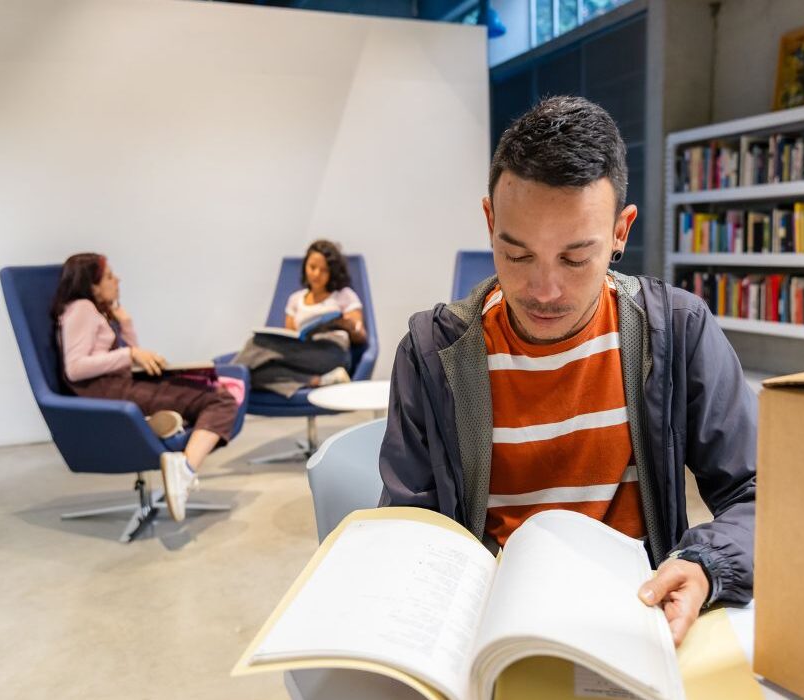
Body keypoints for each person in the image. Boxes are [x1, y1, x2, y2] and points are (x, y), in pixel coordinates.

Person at [378, 96, 757, 646]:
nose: (544, 291)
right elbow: (410, 531)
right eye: (517, 254)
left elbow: (757, 491)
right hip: (485, 631)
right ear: (490, 221)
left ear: (621, 232)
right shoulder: (432, 354)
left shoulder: (675, 331)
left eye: (576, 258)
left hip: (632, 620)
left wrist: (705, 564)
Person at [51, 253, 239, 522]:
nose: (117, 280)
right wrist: (129, 355)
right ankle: (183, 470)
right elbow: (75, 367)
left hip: (117, 383)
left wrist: (125, 325)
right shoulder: (82, 307)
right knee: (220, 400)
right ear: (90, 285)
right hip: (105, 391)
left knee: (208, 391)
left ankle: (160, 423)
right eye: (108, 276)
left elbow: (123, 354)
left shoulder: (95, 309)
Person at [235, 239, 367, 397]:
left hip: (333, 353)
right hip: (303, 354)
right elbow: (290, 336)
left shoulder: (344, 295)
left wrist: (346, 325)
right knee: (254, 374)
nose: (316, 274)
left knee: (255, 344)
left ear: (332, 272)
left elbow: (361, 336)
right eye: (312, 267)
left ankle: (226, 377)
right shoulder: (295, 299)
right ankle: (319, 381)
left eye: (324, 270)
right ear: (305, 266)